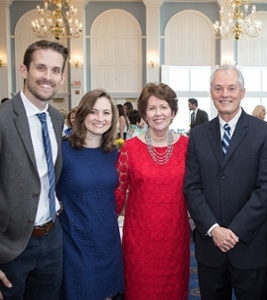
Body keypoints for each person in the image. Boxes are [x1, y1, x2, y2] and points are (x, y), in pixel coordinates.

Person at [183, 65, 267, 299]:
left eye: (231, 88)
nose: (224, 94)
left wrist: (234, 232)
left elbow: (266, 189)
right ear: (211, 92)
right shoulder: (197, 136)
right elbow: (192, 187)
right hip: (210, 248)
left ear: (243, 92)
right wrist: (214, 229)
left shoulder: (265, 133)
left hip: (251, 247)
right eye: (218, 88)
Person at [0, 40, 68, 299]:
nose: (47, 77)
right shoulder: (3, 119)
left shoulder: (56, 118)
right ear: (24, 70)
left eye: (55, 70)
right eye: (41, 68)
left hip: (51, 239)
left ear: (62, 77)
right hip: (9, 246)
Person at [115, 83, 190, 300]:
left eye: (164, 107)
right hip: (140, 239)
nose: (158, 113)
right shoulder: (130, 148)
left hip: (175, 236)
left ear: (173, 112)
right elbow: (118, 193)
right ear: (145, 114)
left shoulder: (187, 146)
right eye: (152, 108)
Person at [56, 89, 124, 300]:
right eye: (93, 112)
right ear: (82, 114)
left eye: (106, 113)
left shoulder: (114, 153)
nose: (100, 118)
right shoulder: (62, 152)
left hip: (108, 241)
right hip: (75, 244)